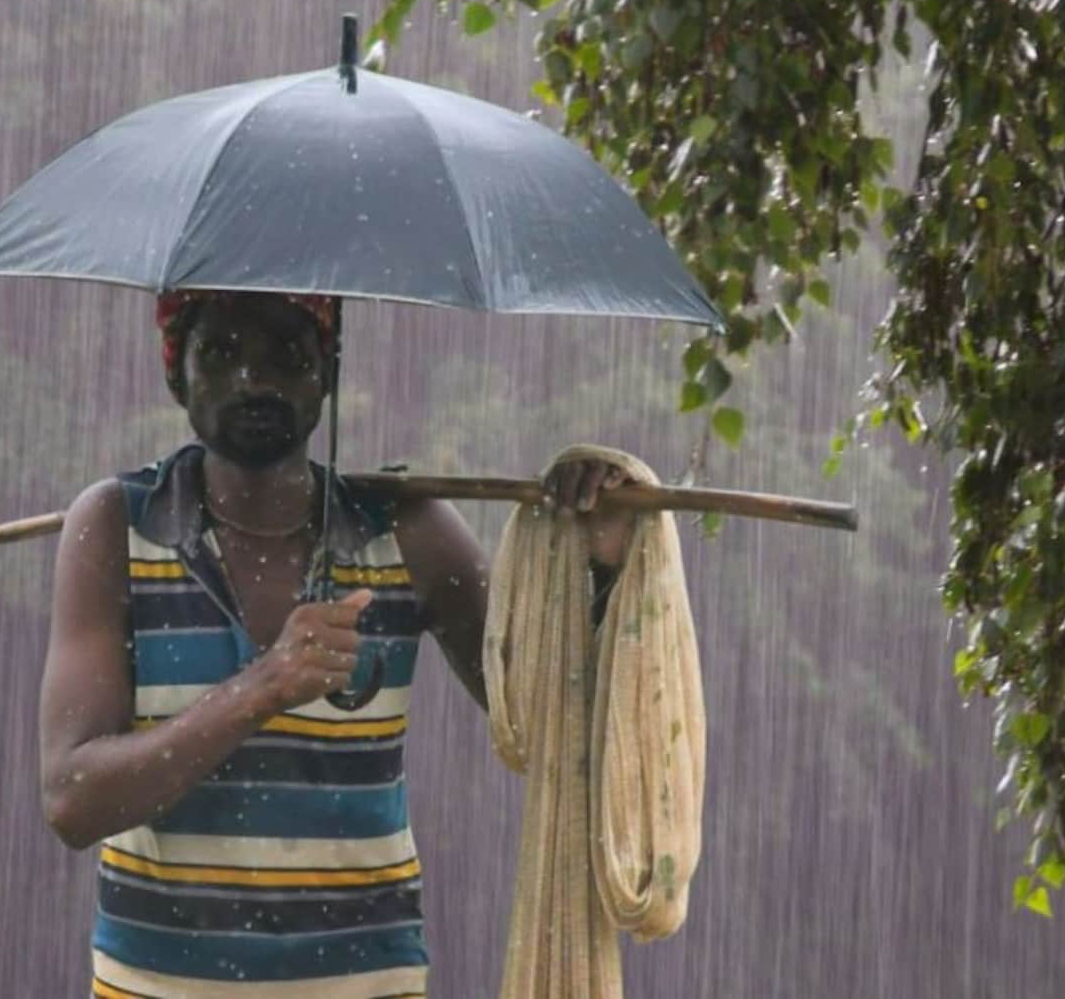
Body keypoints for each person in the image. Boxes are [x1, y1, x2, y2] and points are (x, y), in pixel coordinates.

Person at [38, 290, 637, 997]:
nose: (254, 378)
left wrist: (600, 570)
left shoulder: (407, 530)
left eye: (287, 353)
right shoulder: (117, 525)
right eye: (221, 351)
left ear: (328, 368)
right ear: (176, 372)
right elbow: (73, 801)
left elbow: (557, 728)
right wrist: (262, 688)